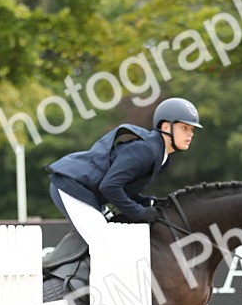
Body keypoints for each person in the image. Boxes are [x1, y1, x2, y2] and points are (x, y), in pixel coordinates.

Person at [46, 97, 201, 251]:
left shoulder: (163, 158)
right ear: (167, 127)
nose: (191, 134)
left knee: (114, 238)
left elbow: (124, 189)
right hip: (71, 184)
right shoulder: (145, 150)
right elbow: (109, 186)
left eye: (192, 129)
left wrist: (148, 202)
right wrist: (140, 213)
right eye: (185, 128)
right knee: (103, 242)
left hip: (88, 192)